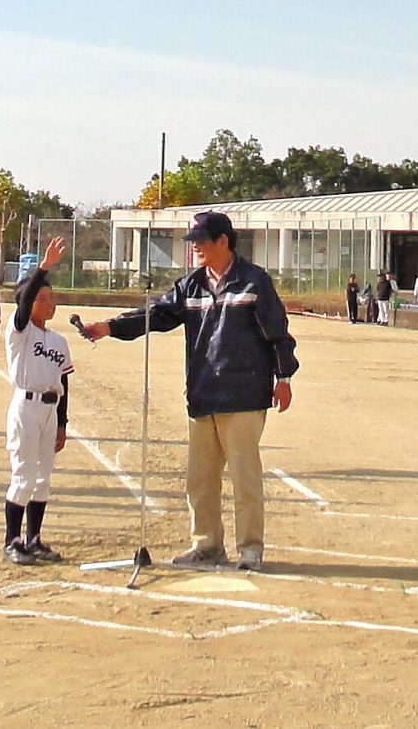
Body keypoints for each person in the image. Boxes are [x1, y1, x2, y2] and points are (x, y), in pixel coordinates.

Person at [79, 210, 299, 572]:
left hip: (243, 394)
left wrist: (284, 377)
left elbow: (277, 332)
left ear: (222, 241)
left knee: (244, 478)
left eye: (200, 241)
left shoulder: (253, 282)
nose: (195, 247)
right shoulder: (191, 285)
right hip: (202, 393)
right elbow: (158, 314)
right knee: (200, 480)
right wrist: (110, 326)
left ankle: (250, 549)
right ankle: (207, 545)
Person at [1, 236, 71, 565]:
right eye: (43, 298)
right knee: (24, 475)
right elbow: (24, 300)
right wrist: (42, 268)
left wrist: (63, 423)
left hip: (50, 410)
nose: (50, 303)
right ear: (28, 304)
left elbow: (63, 382)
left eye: (52, 298)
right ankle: (12, 541)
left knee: (43, 479)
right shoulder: (19, 331)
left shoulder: (58, 340)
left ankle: (34, 539)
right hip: (25, 408)